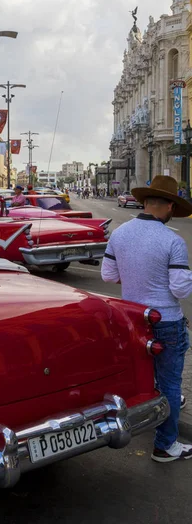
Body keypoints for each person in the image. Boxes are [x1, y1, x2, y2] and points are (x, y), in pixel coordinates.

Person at [101, 175, 192, 463]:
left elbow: (108, 276)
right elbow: (180, 288)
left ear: (145, 203)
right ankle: (165, 446)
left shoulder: (119, 233)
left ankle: (152, 419)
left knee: (144, 379)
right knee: (169, 385)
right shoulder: (172, 240)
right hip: (166, 321)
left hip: (133, 320)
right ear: (167, 207)